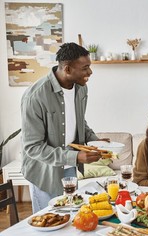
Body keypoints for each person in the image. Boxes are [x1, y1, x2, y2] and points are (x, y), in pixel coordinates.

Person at [21, 42, 107, 213]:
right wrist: (76, 157)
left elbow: (79, 121)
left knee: (70, 216)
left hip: (69, 168)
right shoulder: (35, 96)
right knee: (48, 221)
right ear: (67, 69)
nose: (90, 72)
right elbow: (33, 147)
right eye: (85, 68)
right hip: (44, 173)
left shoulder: (81, 89)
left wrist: (94, 140)